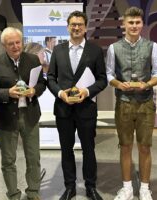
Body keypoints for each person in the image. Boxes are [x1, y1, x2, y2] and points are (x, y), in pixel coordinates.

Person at [47, 10, 107, 200]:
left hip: (86, 109)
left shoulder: (95, 50)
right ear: (67, 27)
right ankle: (70, 186)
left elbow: (102, 80)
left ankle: (90, 186)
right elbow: (50, 78)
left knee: (89, 149)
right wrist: (60, 92)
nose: (76, 27)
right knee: (66, 149)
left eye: (80, 24)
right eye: (73, 24)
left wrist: (87, 92)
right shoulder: (58, 50)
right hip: (63, 109)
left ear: (85, 27)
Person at [106, 7, 157, 200]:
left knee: (145, 146)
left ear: (142, 24)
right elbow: (109, 74)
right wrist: (118, 84)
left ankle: (145, 188)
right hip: (123, 103)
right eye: (130, 22)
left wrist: (146, 84)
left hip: (145, 103)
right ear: (124, 24)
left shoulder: (152, 46)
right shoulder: (114, 48)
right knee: (125, 146)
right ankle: (127, 188)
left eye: (137, 22)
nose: (134, 26)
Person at [0, 27, 46, 200]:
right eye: (10, 43)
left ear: (22, 42)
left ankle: (33, 192)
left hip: (30, 115)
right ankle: (13, 194)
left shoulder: (33, 59)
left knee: (33, 157)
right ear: (4, 45)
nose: (15, 46)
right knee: (8, 160)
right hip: (6, 118)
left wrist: (34, 90)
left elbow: (42, 84)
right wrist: (7, 93)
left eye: (18, 42)